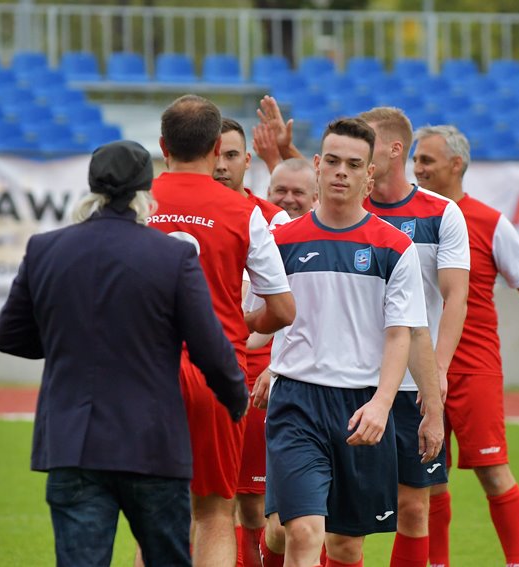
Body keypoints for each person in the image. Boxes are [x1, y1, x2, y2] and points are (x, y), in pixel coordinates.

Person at [0, 140, 250, 567]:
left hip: (74, 440)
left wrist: (65, 344)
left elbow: (8, 336)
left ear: (92, 185)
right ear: (145, 190)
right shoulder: (173, 256)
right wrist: (235, 396)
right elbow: (209, 347)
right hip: (152, 441)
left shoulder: (45, 248)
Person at [253, 118, 439, 567]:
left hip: (360, 404)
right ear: (317, 165)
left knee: (345, 545)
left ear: (368, 174)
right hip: (297, 400)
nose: (341, 172)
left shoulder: (393, 247)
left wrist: (383, 404)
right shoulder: (279, 242)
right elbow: (253, 319)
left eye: (353, 165)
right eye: (333, 161)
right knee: (301, 530)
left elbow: (402, 333)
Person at [412, 125, 519, 567]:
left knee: (492, 471)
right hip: (420, 369)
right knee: (429, 478)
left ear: (456, 164)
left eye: (427, 160)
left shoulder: (489, 222)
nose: (417, 168)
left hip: (473, 368)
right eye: (416, 159)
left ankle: (515, 563)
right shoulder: (409, 217)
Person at [148, 94, 296, 567]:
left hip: (146, 370)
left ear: (163, 146)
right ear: (216, 149)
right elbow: (283, 309)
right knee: (215, 512)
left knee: (156, 512)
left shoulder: (137, 201)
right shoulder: (243, 212)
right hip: (216, 371)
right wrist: (239, 320)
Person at [358, 107, 470, 567]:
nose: (357, 153)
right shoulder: (345, 211)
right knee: (334, 520)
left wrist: (437, 370)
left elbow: (456, 296)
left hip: (411, 387)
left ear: (393, 149)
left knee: (413, 508)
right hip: (349, 381)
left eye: (366, 143)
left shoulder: (442, 213)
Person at [212, 116, 291, 567]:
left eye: (231, 155)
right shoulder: (186, 215)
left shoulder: (271, 219)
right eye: (215, 154)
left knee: (254, 504)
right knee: (204, 501)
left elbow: (290, 304)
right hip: (198, 372)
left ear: (247, 160)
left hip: (257, 372)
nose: (222, 165)